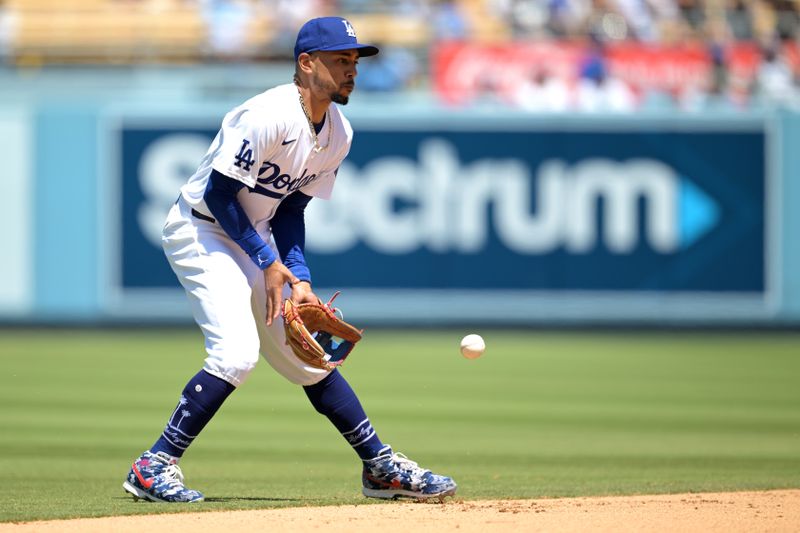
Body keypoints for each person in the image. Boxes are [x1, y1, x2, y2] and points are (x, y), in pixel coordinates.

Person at [122, 16, 457, 503]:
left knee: (310, 355)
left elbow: (292, 207)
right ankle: (153, 464)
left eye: (354, 61)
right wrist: (265, 259)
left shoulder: (339, 132)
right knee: (236, 355)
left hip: (253, 233)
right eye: (341, 60)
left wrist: (298, 276)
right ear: (306, 63)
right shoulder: (266, 115)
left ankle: (380, 466)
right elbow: (219, 195)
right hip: (200, 228)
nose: (352, 70)